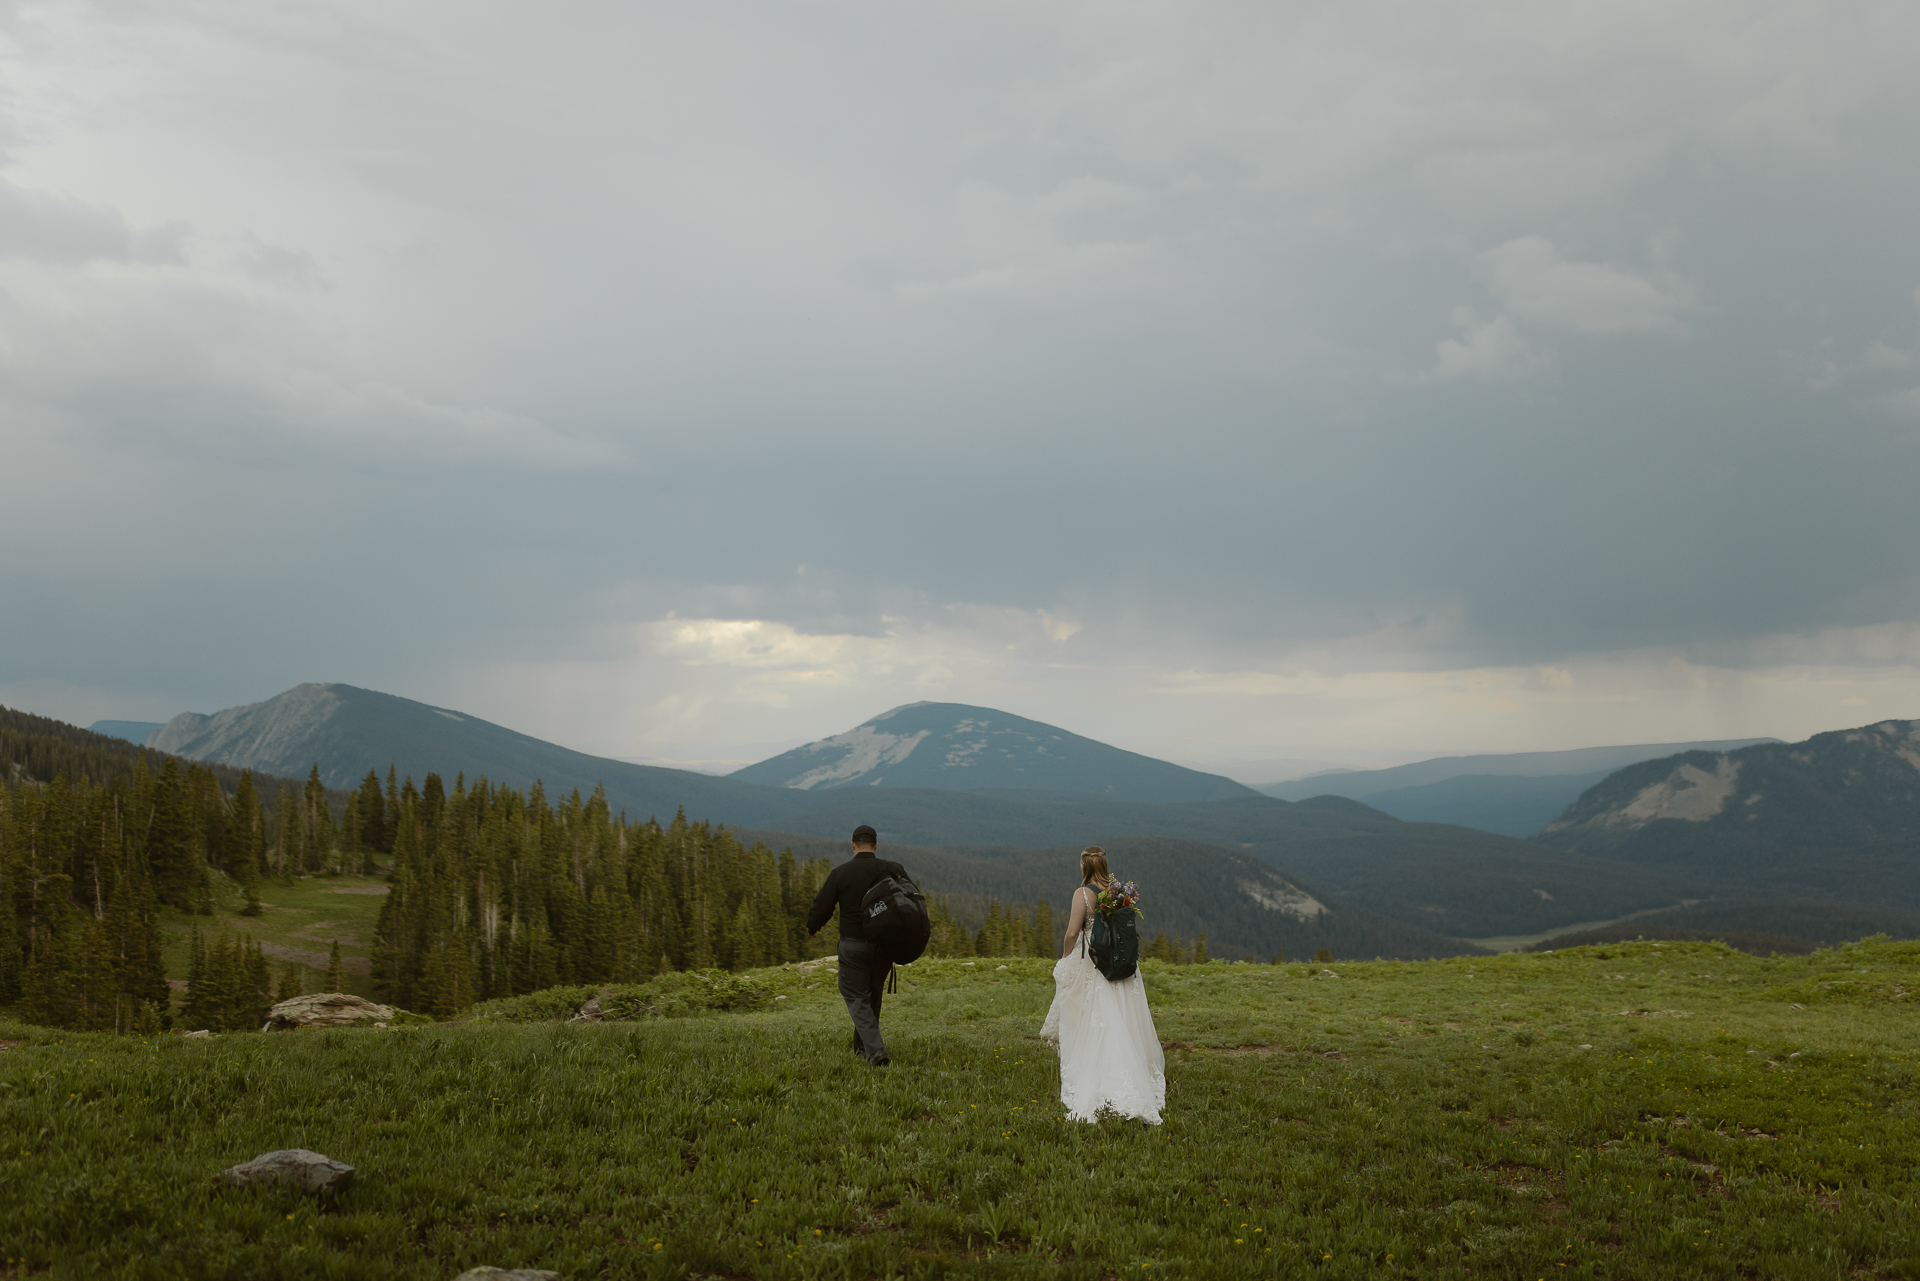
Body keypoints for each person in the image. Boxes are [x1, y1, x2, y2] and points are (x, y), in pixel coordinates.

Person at [1040, 845, 1166, 1123]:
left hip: (1092, 960)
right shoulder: (1117, 893)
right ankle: (1133, 1075)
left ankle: (1097, 1075)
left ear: (1085, 866)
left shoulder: (1082, 894)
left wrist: (1064, 957)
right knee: (1120, 1017)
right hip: (1116, 960)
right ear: (1104, 865)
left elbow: (1073, 932)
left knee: (1089, 1018)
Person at [806, 824, 909, 1066]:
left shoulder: (841, 873)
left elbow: (822, 906)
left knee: (855, 997)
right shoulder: (892, 869)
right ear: (875, 846)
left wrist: (813, 927)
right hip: (883, 948)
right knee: (872, 997)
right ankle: (862, 1049)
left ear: (853, 845)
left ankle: (876, 1053)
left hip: (852, 947)